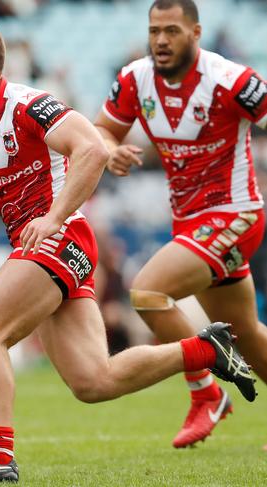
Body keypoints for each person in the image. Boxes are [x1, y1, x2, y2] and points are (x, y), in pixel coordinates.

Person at [0, 17, 256, 483]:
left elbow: (93, 150)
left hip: (62, 238)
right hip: (40, 247)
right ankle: (204, 349)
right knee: (94, 382)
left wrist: (53, 217)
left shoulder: (29, 106)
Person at [94, 0, 267, 449]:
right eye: (154, 31)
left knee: (148, 292)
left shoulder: (234, 81)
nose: (161, 41)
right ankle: (212, 383)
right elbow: (99, 131)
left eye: (171, 30)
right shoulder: (134, 79)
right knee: (245, 333)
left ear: (196, 32)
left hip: (236, 214)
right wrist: (108, 149)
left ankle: (206, 393)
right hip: (189, 224)